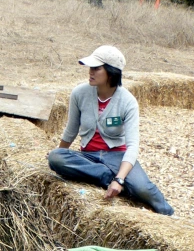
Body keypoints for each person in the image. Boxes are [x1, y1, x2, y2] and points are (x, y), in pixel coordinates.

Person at [48, 45, 174, 216]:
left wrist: (120, 178)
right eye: (90, 68)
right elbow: (71, 130)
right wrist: (58, 152)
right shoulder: (79, 93)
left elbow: (133, 145)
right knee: (56, 158)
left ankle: (169, 215)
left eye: (96, 68)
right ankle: (106, 176)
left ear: (111, 71)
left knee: (143, 189)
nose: (90, 72)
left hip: (117, 156)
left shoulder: (128, 102)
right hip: (88, 156)